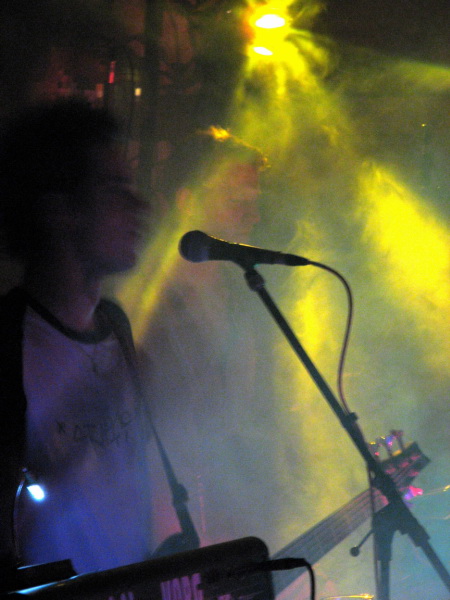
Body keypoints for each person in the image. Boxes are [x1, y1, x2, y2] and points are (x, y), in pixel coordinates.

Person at [0, 99, 159, 585]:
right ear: (61, 211)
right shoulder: (9, 341)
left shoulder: (116, 326)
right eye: (115, 191)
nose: (139, 207)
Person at [119, 127, 279, 550]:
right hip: (163, 528)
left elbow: (241, 423)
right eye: (236, 199)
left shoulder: (246, 298)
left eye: (255, 202)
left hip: (226, 515)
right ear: (187, 200)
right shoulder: (146, 307)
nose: (252, 216)